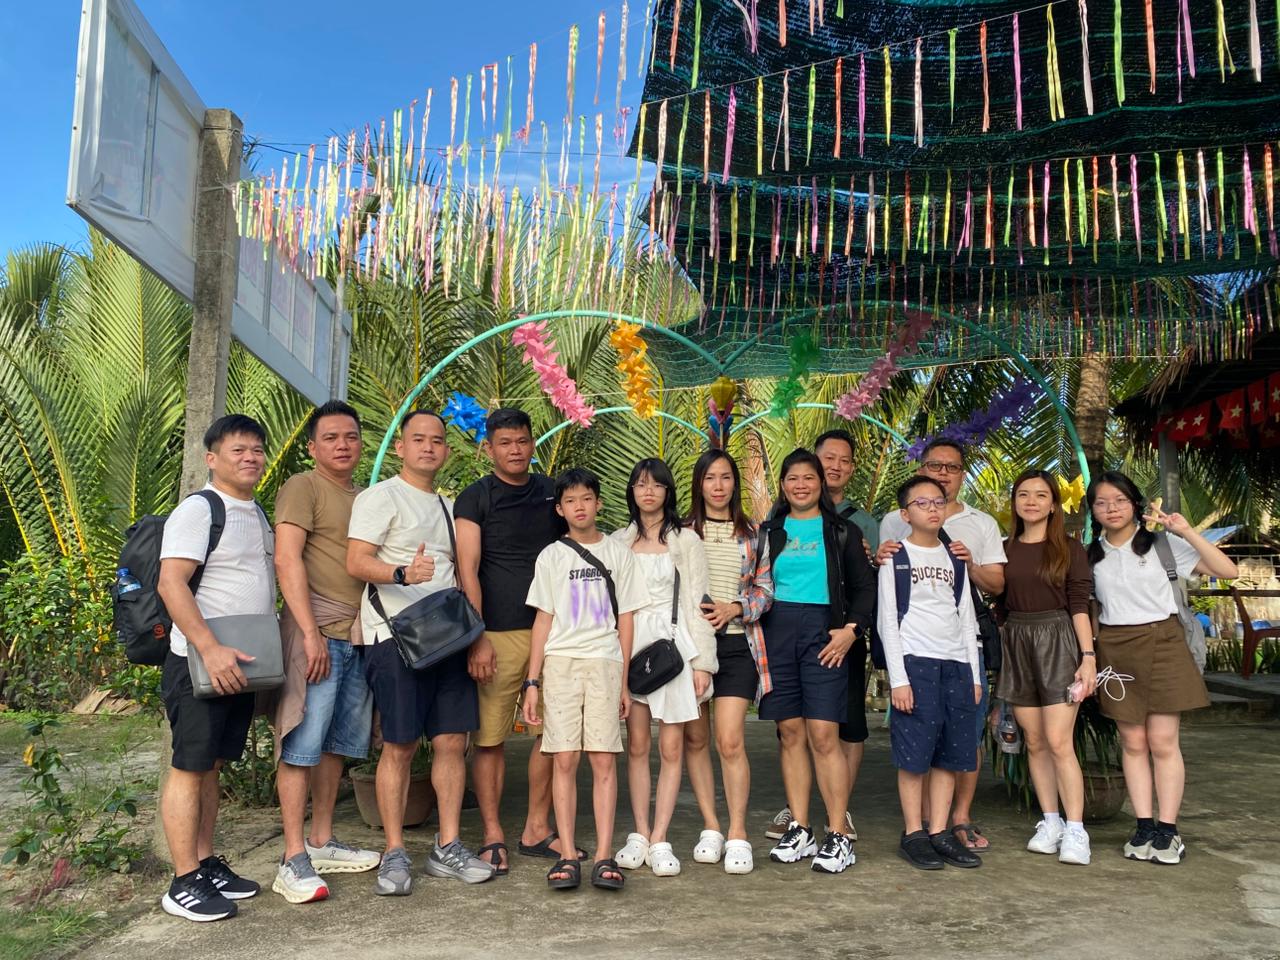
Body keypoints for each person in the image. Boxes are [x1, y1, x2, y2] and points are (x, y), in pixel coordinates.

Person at [347, 409, 493, 896]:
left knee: (453, 742)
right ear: (401, 448)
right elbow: (356, 560)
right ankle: (394, 851)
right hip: (397, 639)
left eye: (437, 440)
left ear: (447, 450)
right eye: (418, 439)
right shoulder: (380, 497)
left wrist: (477, 637)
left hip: (448, 640)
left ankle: (447, 846)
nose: (429, 447)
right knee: (401, 745)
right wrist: (401, 575)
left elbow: (462, 572)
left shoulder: (453, 506)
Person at [1086, 471, 1237, 864]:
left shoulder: (1163, 545)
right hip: (1116, 649)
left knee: (1163, 742)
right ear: (1093, 511)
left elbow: (1227, 571)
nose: (1111, 508)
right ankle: (1144, 826)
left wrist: (1186, 531)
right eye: (1102, 502)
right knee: (1132, 743)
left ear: (1135, 504)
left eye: (1119, 500)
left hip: (1164, 641)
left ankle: (1168, 831)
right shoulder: (1091, 556)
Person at [157, 415, 274, 921]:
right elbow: (171, 585)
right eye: (237, 450)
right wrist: (209, 648)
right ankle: (182, 881)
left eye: (256, 450)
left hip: (238, 661)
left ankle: (204, 862)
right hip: (199, 662)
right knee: (189, 768)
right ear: (212, 458)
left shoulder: (256, 511)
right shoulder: (199, 510)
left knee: (213, 766)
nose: (250, 457)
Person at [271, 401, 380, 903]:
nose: (343, 445)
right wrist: (310, 632)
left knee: (338, 742)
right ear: (313, 447)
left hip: (358, 634)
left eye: (351, 436)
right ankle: (292, 857)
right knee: (302, 739)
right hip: (317, 633)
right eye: (331, 437)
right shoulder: (304, 486)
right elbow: (287, 558)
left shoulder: (367, 497)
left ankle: (321, 839)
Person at [454, 408, 570, 875]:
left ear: (532, 442)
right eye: (505, 442)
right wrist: (476, 636)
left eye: (522, 441)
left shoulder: (551, 493)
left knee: (552, 736)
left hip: (554, 633)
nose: (515, 450)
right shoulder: (474, 498)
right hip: (497, 634)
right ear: (489, 448)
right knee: (490, 739)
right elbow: (467, 569)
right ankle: (492, 834)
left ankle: (536, 827)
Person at [521, 468, 648, 891]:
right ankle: (569, 853)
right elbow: (544, 618)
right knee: (564, 758)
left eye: (587, 498)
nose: (580, 506)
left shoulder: (619, 554)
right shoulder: (551, 557)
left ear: (598, 502)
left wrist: (625, 681)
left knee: (603, 758)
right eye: (571, 500)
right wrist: (532, 681)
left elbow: (625, 618)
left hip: (605, 663)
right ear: (560, 509)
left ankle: (604, 855)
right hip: (560, 663)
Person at [877, 438, 1006, 852]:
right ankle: (914, 831)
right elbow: (887, 624)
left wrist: (972, 672)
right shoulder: (896, 556)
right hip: (916, 663)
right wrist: (898, 679)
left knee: (952, 751)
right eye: (922, 503)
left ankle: (939, 830)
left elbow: (967, 618)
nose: (932, 509)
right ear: (905, 514)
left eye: (938, 503)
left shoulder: (956, 556)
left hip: (956, 665)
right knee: (915, 752)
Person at [758, 449, 875, 874]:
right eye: (793, 478)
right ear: (784, 484)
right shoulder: (768, 531)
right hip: (778, 631)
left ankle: (838, 834)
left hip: (826, 635)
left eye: (809, 477)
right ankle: (801, 828)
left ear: (820, 484)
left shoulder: (841, 531)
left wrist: (851, 630)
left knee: (825, 733)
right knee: (790, 731)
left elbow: (865, 589)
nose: (801, 485)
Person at [611, 459, 717, 878]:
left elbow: (698, 603)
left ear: (669, 491)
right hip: (631, 645)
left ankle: (660, 837)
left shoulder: (686, 540)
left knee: (672, 748)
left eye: (656, 485)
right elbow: (613, 607)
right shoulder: (618, 541)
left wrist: (702, 662)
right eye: (639, 484)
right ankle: (638, 833)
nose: (648, 491)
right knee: (636, 745)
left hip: (673, 647)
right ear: (631, 492)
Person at [997, 469, 1097, 866]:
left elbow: (1079, 604)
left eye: (1041, 495)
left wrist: (1087, 659)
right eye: (1024, 494)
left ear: (1053, 504)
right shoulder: (1004, 548)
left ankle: (1076, 830)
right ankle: (1050, 821)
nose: (1032, 501)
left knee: (1059, 741)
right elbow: (999, 602)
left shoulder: (1069, 548)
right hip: (1017, 640)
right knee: (1034, 742)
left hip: (1059, 640)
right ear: (1015, 502)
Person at [683, 450, 772, 875]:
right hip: (692, 650)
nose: (718, 486)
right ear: (699, 484)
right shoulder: (680, 532)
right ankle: (711, 826)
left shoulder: (753, 533)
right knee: (696, 740)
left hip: (737, 647)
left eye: (725, 478)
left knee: (730, 740)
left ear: (735, 483)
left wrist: (735, 608)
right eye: (709, 478)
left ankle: (738, 831)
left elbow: (765, 589)